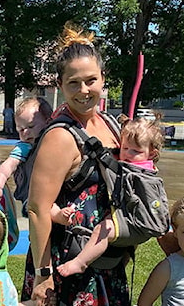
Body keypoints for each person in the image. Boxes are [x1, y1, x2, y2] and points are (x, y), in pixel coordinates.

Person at [24, 24, 135, 306]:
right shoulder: (59, 136)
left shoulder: (110, 126)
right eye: (73, 82)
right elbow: (36, 209)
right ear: (61, 86)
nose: (84, 89)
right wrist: (46, 273)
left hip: (107, 258)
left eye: (91, 80)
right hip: (67, 263)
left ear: (103, 80)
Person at [55, 117, 165, 277]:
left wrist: (102, 157)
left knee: (103, 230)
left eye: (136, 151)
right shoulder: (145, 164)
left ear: (152, 153)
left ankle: (80, 263)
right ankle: (124, 260)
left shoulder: (138, 170)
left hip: (136, 222)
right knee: (120, 239)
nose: (128, 154)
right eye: (125, 148)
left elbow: (114, 175)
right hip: (137, 222)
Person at [0, 97, 54, 211]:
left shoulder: (56, 140)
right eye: (20, 130)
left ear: (48, 122)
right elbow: (8, 165)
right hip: (32, 196)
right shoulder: (25, 146)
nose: (25, 132)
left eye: (31, 126)